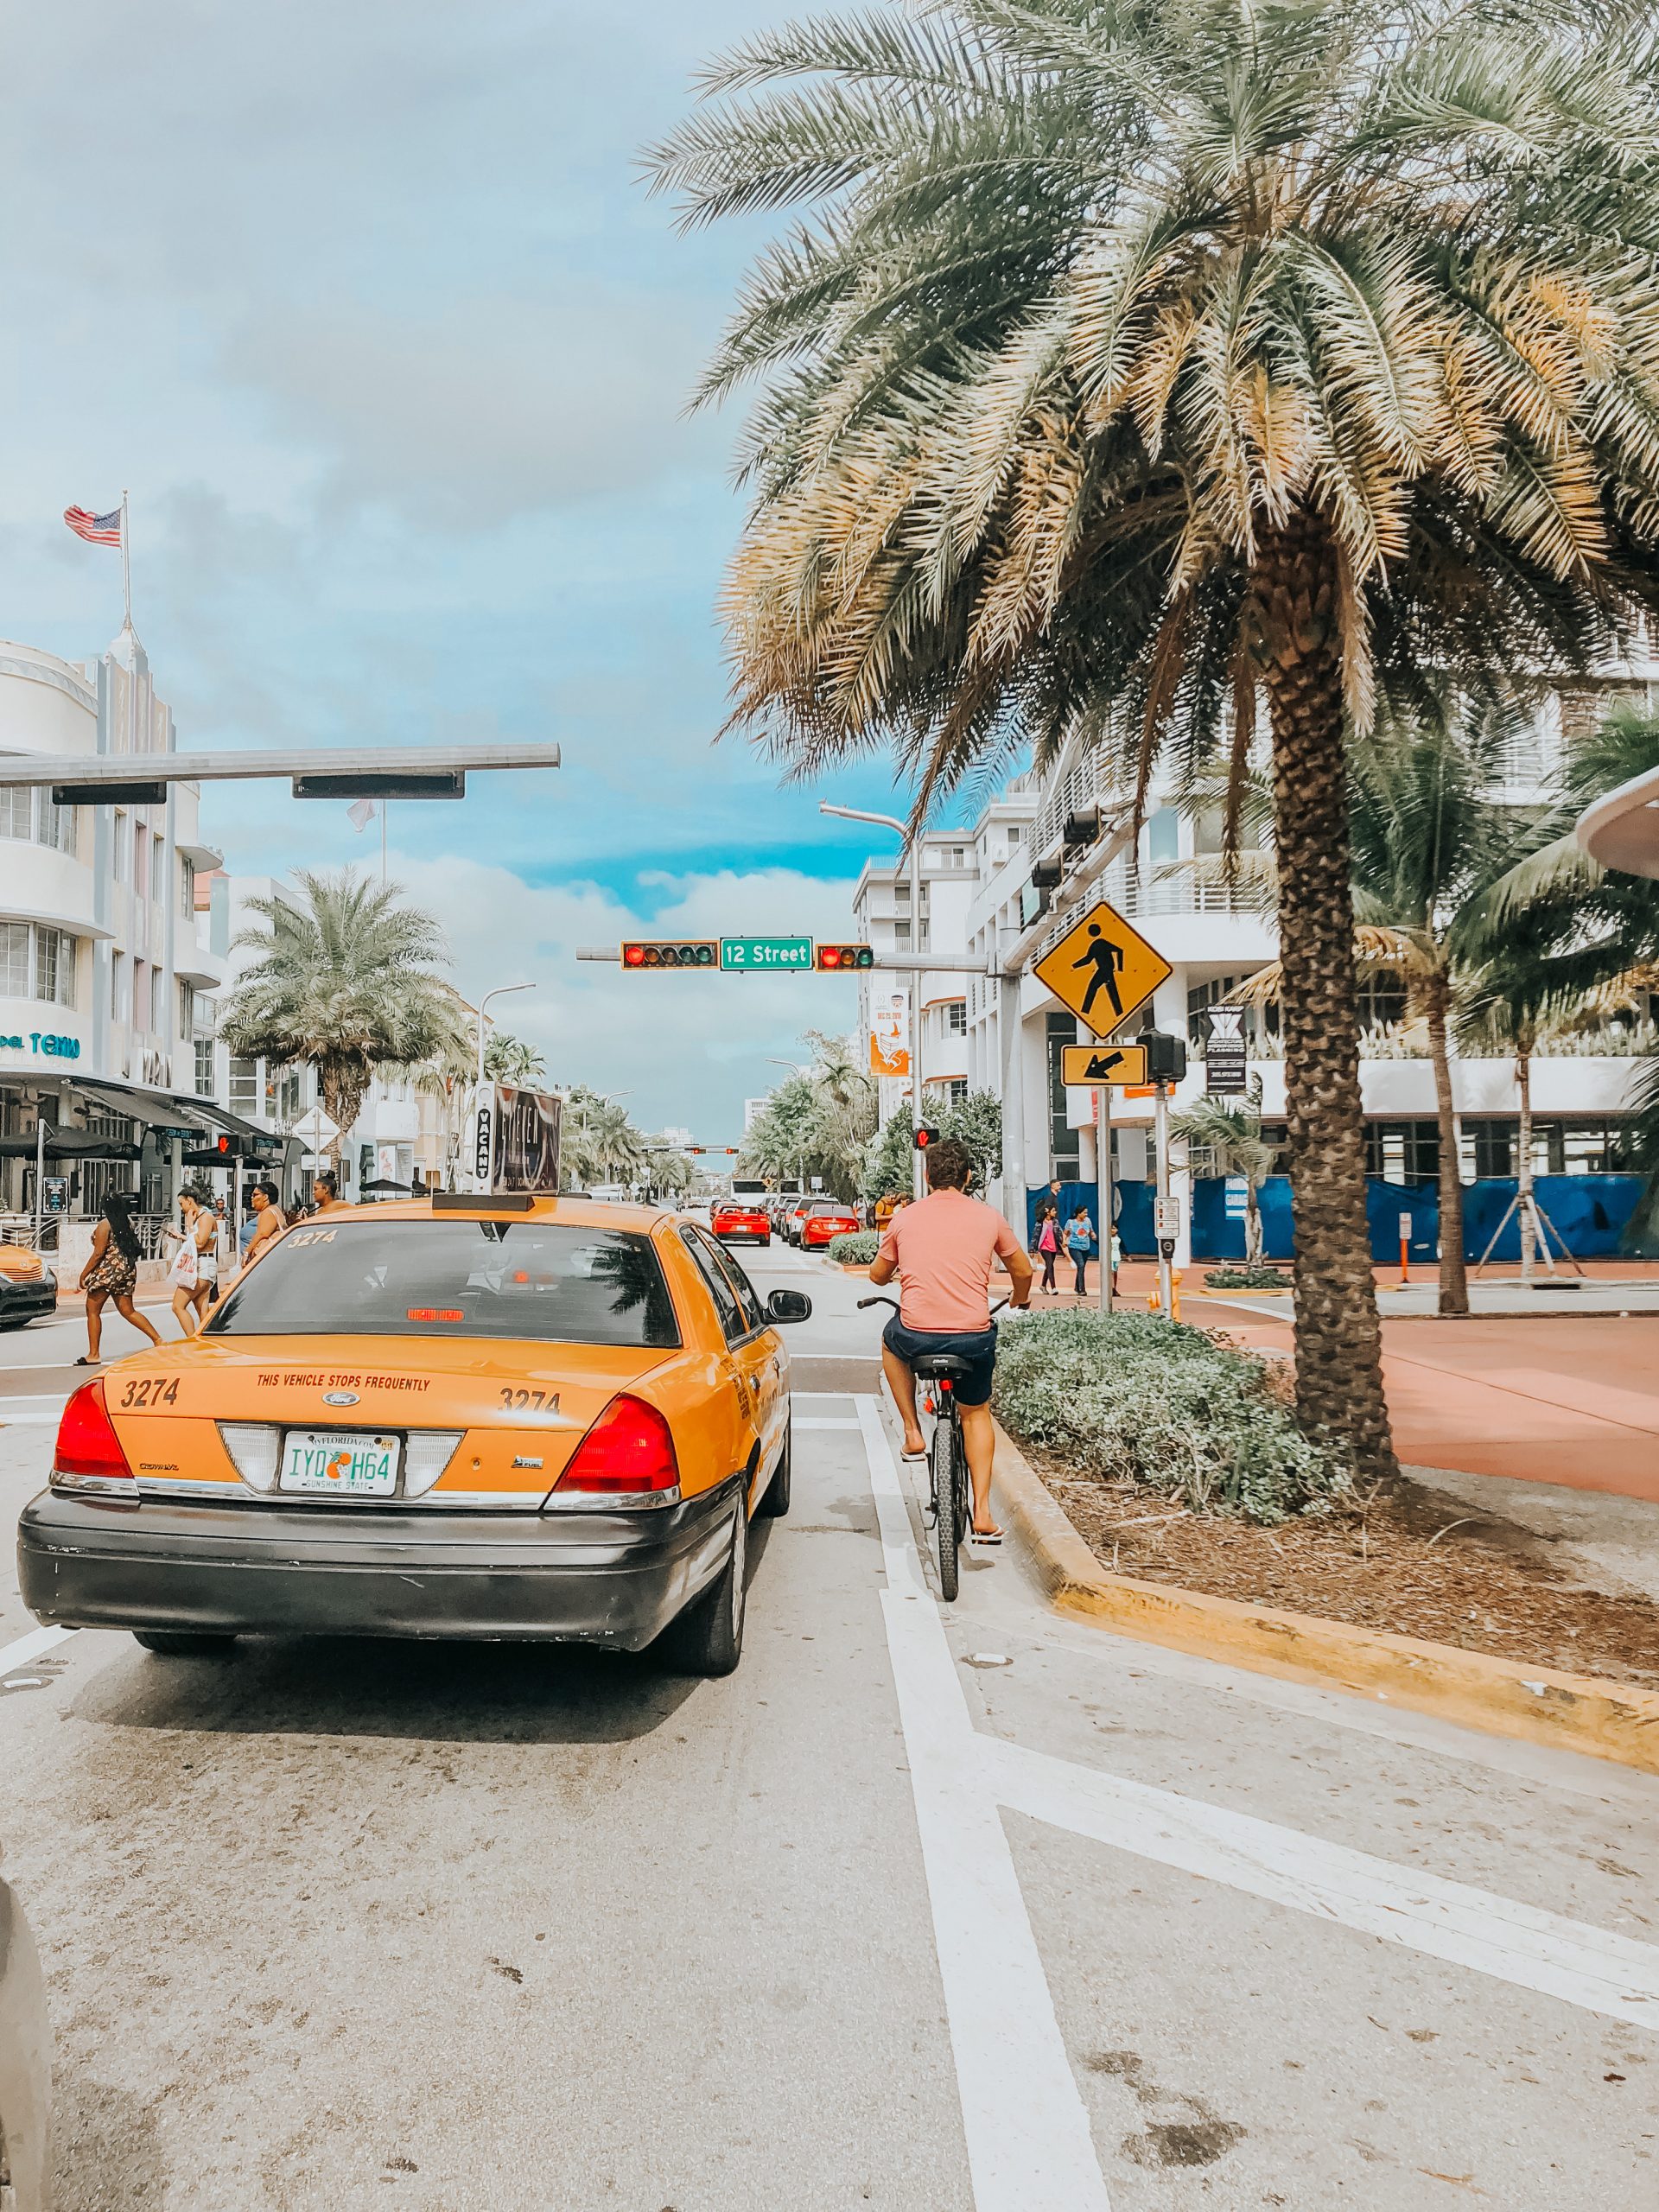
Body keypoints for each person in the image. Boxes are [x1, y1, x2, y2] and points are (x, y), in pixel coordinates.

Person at [868, 1136, 1033, 1543]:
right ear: (969, 1177)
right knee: (975, 1413)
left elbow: (877, 1275)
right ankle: (981, 1512)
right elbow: (1024, 1271)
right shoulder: (989, 1217)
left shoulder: (904, 1218)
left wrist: (897, 1270)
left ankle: (912, 1431)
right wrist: (1019, 1300)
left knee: (890, 1341)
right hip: (971, 1340)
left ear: (927, 1177)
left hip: (916, 1336)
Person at [76, 1192, 163, 1364]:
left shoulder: (105, 1224)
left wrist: (84, 1274)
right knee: (128, 1310)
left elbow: (99, 1253)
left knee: (92, 1310)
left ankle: (94, 1354)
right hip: (127, 1269)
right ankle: (158, 1339)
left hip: (108, 1270)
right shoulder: (127, 1222)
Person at [161, 1192, 219, 1338]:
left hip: (202, 1265)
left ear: (190, 1200)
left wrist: (190, 1224)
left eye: (182, 1204)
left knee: (178, 1306)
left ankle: (192, 1339)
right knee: (202, 1309)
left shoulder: (206, 1218)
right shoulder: (203, 1217)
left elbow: (199, 1243)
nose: (181, 1208)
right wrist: (182, 1236)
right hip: (203, 1264)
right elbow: (198, 1241)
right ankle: (208, 1340)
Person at [234, 1182, 287, 1280]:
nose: (251, 1198)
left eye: (255, 1195)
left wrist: (246, 1253)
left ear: (265, 1197)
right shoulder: (271, 1210)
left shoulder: (268, 1211)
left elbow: (262, 1234)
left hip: (264, 1261)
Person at [1065, 1205, 1096, 1296]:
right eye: (1084, 1212)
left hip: (1085, 1247)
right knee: (1081, 1265)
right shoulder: (1070, 1222)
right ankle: (1082, 1289)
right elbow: (1065, 1233)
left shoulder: (1088, 1221)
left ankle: (1077, 1287)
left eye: (1087, 1212)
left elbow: (1091, 1231)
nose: (1086, 1214)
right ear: (1079, 1213)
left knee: (1081, 1268)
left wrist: (1093, 1235)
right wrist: (1064, 1241)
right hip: (1074, 1247)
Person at [1034, 1204, 1060, 1294]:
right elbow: (1036, 1236)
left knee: (1049, 1267)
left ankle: (1043, 1285)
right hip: (1044, 1247)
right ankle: (1054, 1288)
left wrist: (1062, 1242)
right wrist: (1034, 1248)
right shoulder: (1040, 1223)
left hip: (1053, 1247)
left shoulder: (1055, 1222)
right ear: (1048, 1213)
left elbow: (1059, 1233)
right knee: (1050, 1265)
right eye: (1053, 1211)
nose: (1055, 1212)